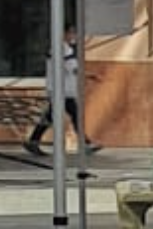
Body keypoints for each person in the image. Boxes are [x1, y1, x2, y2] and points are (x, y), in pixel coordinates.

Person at [24, 27, 101, 156]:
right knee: (74, 115)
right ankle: (85, 144)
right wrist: (92, 75)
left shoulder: (59, 47)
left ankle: (33, 141)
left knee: (52, 116)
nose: (74, 36)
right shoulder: (63, 48)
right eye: (72, 32)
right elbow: (73, 69)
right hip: (62, 90)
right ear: (64, 33)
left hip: (61, 89)